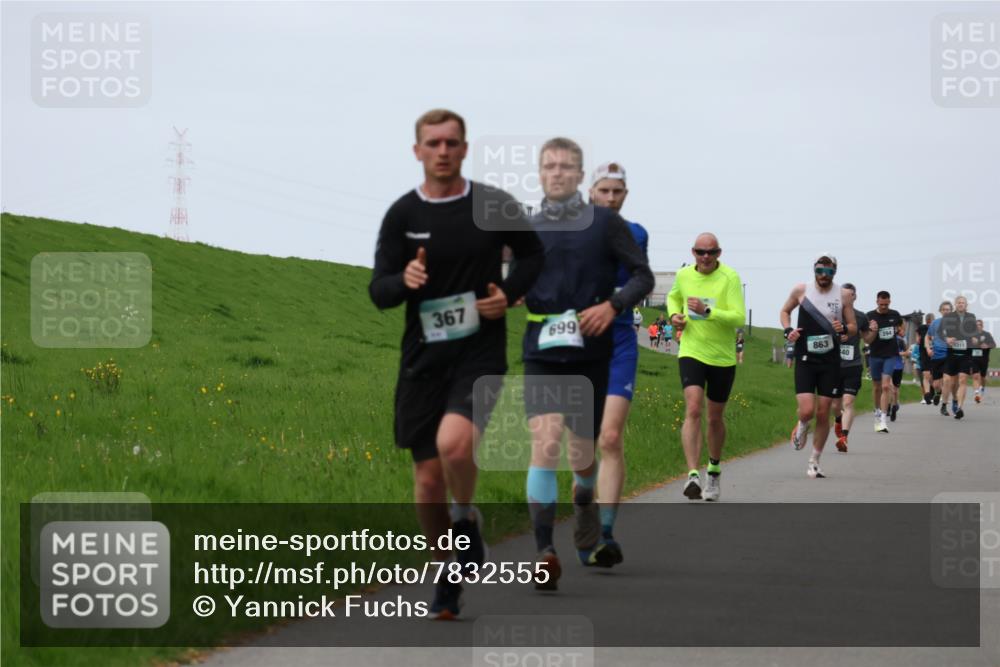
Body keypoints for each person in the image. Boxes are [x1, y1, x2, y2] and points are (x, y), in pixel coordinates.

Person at [368, 109, 544, 619]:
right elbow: (378, 291)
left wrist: (507, 293)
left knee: (455, 444)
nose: (442, 151)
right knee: (426, 482)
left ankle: (464, 519)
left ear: (464, 149)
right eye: (432, 143)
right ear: (417, 150)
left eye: (451, 143)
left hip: (479, 351)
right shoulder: (402, 216)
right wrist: (405, 282)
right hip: (422, 358)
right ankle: (446, 576)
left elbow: (534, 257)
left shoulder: (492, 205)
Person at [522, 138, 653, 590]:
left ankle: (587, 507)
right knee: (544, 442)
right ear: (540, 174)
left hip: (599, 348)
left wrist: (612, 306)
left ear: (578, 177)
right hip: (541, 347)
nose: (557, 173)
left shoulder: (611, 227)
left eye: (566, 167)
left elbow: (643, 276)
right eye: (549, 166)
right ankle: (544, 552)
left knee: (587, 452)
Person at [586, 160, 650, 567]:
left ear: (625, 195)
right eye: (604, 190)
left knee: (609, 438)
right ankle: (584, 519)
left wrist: (615, 302)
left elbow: (638, 280)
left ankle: (605, 533)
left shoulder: (636, 233)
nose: (610, 198)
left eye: (617, 191)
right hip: (577, 344)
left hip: (621, 341)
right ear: (591, 192)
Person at [668, 233, 746, 501]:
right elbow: (673, 297)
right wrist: (674, 316)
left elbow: (738, 316)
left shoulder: (730, 278)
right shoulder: (684, 276)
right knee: (692, 408)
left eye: (711, 252)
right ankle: (692, 474)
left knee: (714, 418)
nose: (705, 257)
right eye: (700, 252)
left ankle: (713, 469)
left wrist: (707, 311)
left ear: (719, 254)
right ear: (693, 252)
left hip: (722, 357)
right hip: (692, 350)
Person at [780, 254, 856, 478]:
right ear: (814, 270)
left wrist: (842, 327)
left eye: (829, 272)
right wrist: (788, 331)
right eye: (820, 271)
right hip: (805, 359)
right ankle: (803, 424)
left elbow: (852, 327)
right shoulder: (801, 290)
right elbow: (785, 312)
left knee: (823, 414)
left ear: (835, 272)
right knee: (806, 410)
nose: (824, 276)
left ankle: (814, 460)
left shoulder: (843, 295)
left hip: (830, 361)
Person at [832, 282, 873, 453]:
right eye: (842, 295)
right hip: (833, 366)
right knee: (835, 405)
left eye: (849, 295)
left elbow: (868, 339)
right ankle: (838, 420)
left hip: (853, 365)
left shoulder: (861, 317)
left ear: (854, 296)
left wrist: (874, 331)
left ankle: (844, 437)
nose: (845, 298)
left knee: (848, 401)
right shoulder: (831, 315)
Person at [865, 291, 904, 433]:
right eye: (881, 304)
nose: (883, 307)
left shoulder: (894, 314)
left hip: (890, 354)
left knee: (886, 386)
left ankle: (883, 419)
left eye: (886, 304)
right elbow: (866, 337)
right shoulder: (869, 316)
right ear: (877, 302)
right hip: (875, 354)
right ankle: (876, 410)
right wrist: (873, 329)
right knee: (876, 387)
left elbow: (901, 325)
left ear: (890, 302)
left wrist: (901, 331)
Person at [939, 295, 978, 419]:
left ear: (966, 305)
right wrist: (947, 339)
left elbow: (975, 333)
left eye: (963, 303)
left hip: (966, 354)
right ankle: (944, 403)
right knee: (948, 381)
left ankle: (959, 407)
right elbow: (940, 332)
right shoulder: (949, 317)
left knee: (962, 380)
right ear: (955, 304)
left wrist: (975, 338)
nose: (961, 304)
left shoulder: (971, 317)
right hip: (952, 353)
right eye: (959, 302)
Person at [925, 301, 953, 410]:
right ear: (940, 311)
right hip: (936, 356)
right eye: (944, 309)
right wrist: (928, 348)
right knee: (936, 384)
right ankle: (939, 392)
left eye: (948, 310)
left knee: (946, 380)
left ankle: (944, 405)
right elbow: (927, 337)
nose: (946, 311)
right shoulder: (935, 323)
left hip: (948, 355)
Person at [972, 320, 996, 403]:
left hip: (984, 359)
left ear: (982, 326)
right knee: (975, 376)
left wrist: (987, 346)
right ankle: (977, 394)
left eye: (980, 325)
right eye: (976, 325)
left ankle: (982, 389)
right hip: (974, 358)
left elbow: (994, 345)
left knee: (982, 377)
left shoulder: (987, 334)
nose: (978, 326)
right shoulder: (972, 335)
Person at [917, 313, 935, 403]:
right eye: (928, 322)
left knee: (932, 376)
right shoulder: (922, 328)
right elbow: (917, 335)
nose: (929, 324)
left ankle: (934, 390)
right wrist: (918, 339)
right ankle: (927, 395)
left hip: (934, 354)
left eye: (931, 322)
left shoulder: (936, 328)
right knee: (926, 374)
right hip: (924, 353)